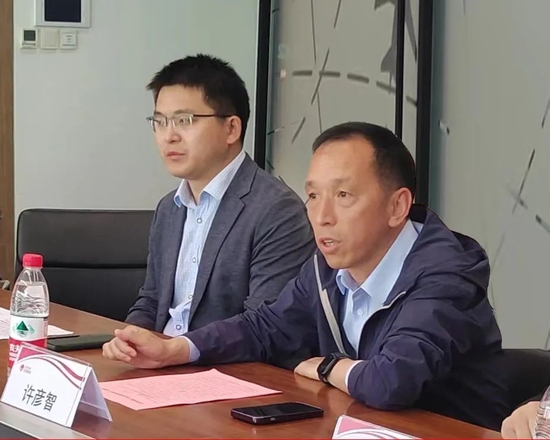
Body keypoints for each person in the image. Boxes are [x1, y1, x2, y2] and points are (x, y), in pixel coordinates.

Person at [104, 122, 509, 429]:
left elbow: (391, 380)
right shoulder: (325, 268)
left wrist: (326, 367)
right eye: (313, 195)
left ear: (397, 206)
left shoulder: (446, 277)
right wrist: (176, 350)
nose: (321, 216)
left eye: (343, 195)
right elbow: (265, 327)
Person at [125, 54, 315, 337]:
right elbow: (151, 301)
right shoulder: (169, 208)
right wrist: (129, 339)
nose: (169, 136)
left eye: (184, 120)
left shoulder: (277, 210)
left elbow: (266, 325)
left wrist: (178, 351)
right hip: (161, 357)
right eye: (160, 122)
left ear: (231, 128)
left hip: (223, 361)